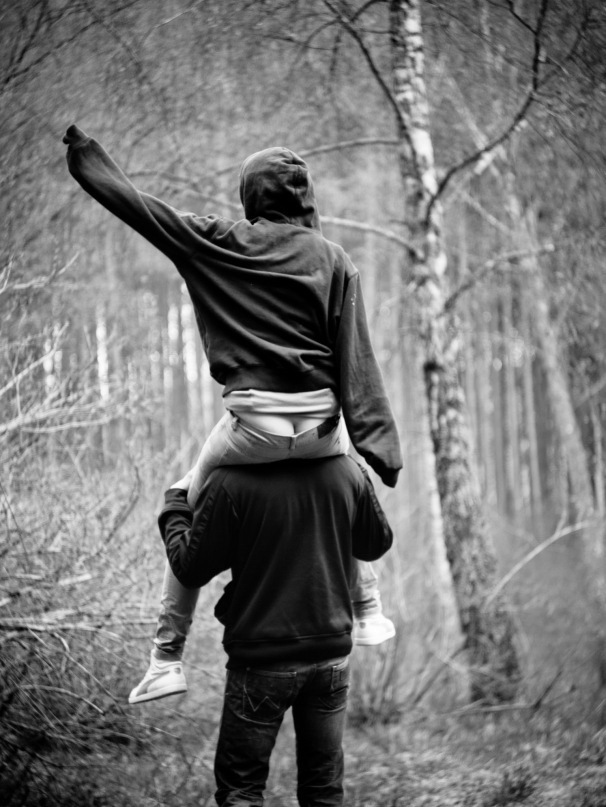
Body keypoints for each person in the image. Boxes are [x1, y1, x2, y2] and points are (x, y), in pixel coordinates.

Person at [63, 125, 403, 704]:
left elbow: (145, 211)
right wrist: (380, 451)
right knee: (341, 490)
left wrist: (86, 155)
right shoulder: (334, 259)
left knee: (185, 498)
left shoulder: (218, 242)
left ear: (251, 195)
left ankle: (165, 659)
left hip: (253, 430)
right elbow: (358, 359)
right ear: (306, 199)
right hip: (322, 430)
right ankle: (368, 611)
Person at [159, 454, 394, 806]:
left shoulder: (230, 481)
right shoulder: (345, 470)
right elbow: (375, 543)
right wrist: (357, 479)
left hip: (261, 660)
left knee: (242, 790)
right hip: (331, 657)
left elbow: (190, 569)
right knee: (323, 790)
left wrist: (175, 506)